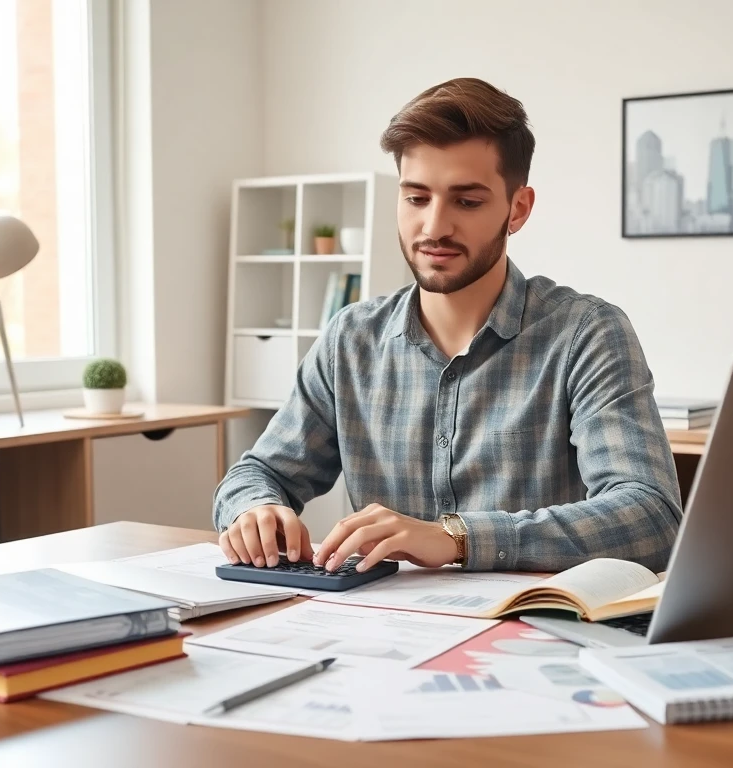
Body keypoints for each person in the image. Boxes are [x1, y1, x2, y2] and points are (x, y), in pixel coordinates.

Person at [213, 77, 682, 575]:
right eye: (416, 198)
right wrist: (253, 510)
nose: (434, 227)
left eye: (467, 201)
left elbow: (649, 516)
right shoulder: (350, 341)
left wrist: (458, 538)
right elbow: (258, 472)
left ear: (517, 209)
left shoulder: (587, 334)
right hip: (379, 638)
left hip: (531, 635)